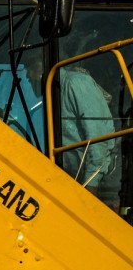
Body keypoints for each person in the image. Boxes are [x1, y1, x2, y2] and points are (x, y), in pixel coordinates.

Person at [26, 54, 119, 209]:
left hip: (102, 188)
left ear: (45, 64)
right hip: (76, 184)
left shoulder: (76, 83)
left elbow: (98, 138)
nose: (28, 76)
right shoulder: (50, 100)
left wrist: (91, 186)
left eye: (31, 68)